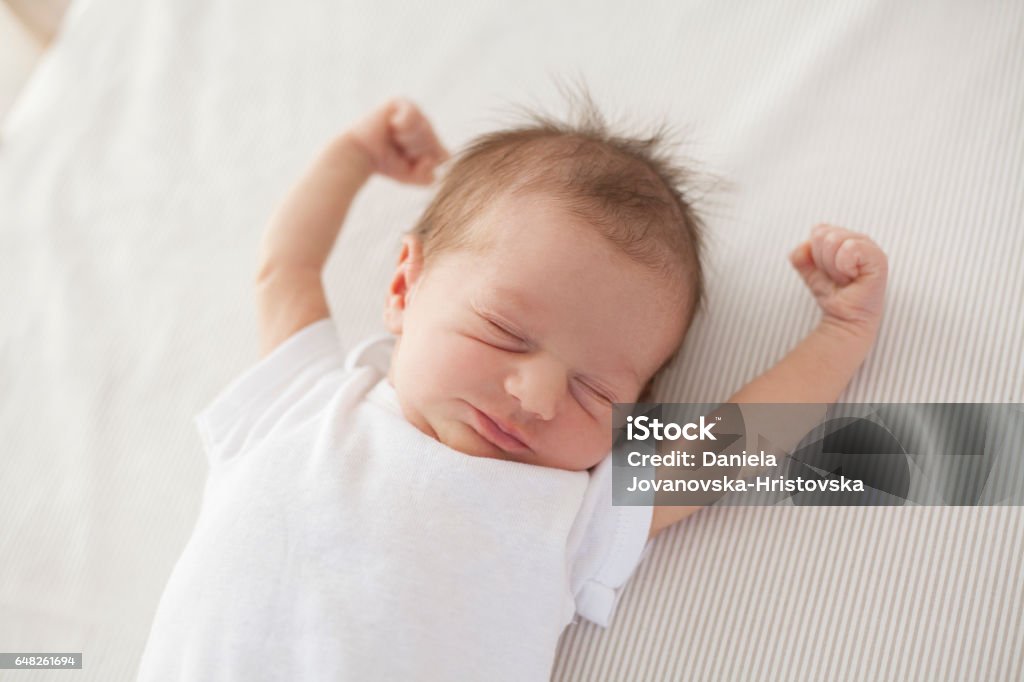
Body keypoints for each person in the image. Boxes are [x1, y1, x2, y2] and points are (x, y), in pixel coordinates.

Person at [137, 94, 888, 681]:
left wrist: (841, 335)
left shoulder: (564, 508)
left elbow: (734, 447)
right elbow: (285, 268)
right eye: (504, 332)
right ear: (404, 286)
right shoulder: (305, 404)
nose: (536, 395)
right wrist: (353, 154)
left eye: (596, 390)